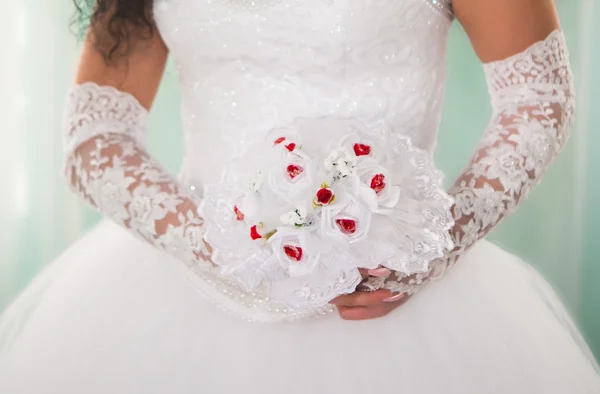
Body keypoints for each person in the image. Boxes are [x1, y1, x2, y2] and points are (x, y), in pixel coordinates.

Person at [0, 0, 599, 392]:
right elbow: (96, 132)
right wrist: (217, 246)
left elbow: (537, 99)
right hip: (183, 284)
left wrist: (435, 244)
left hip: (397, 301)